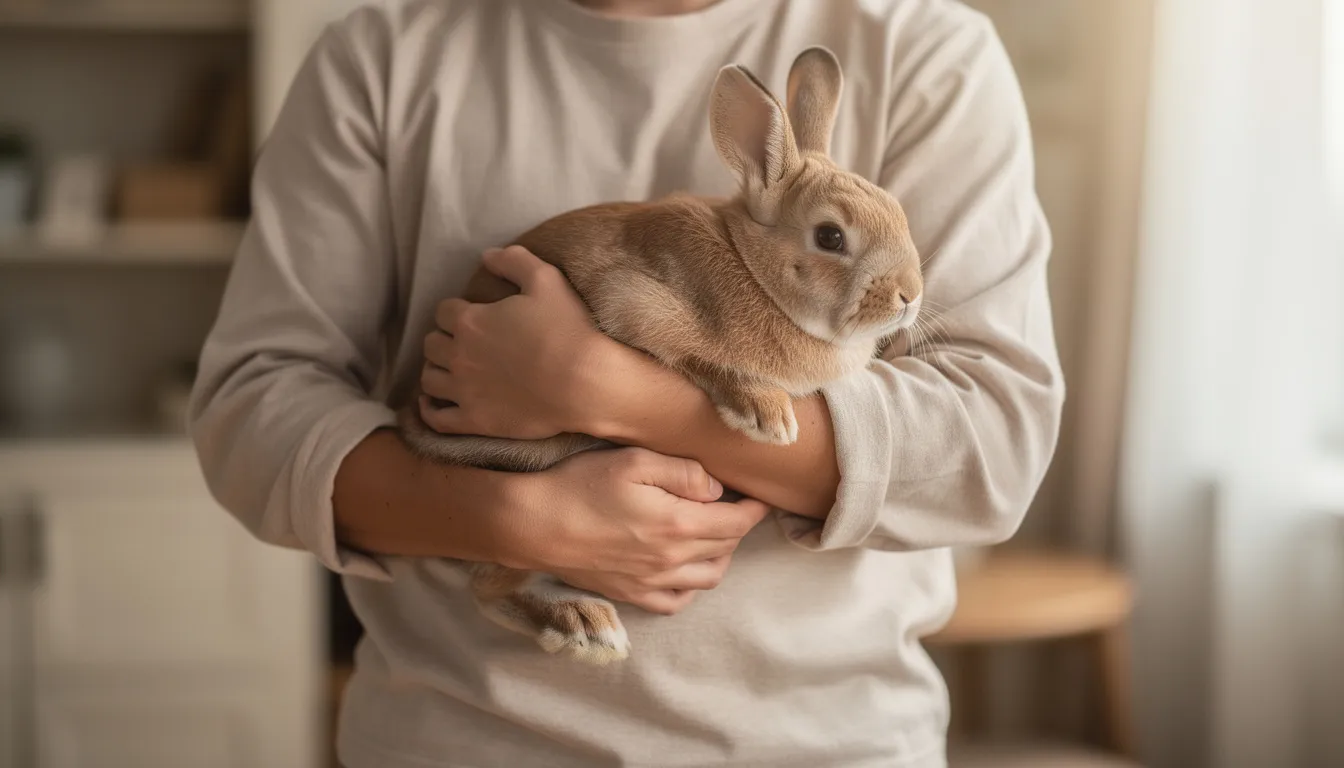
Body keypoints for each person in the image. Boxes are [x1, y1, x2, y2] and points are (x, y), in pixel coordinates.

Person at [188, 0, 1064, 766]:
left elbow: (993, 444)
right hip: (463, 741)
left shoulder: (926, 49)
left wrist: (607, 391)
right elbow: (251, 407)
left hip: (824, 740)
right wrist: (512, 520)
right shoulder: (382, 58)